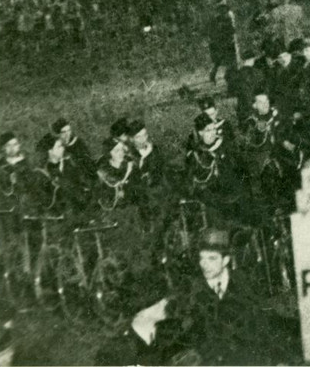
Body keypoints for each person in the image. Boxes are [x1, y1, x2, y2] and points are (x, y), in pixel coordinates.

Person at [137, 228, 294, 366]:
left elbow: (266, 325)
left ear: (225, 260)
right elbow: (149, 322)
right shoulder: (190, 289)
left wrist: (279, 360)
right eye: (201, 258)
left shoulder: (244, 283)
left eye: (211, 258)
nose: (204, 264)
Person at [29, 133, 88, 217]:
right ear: (50, 151)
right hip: (54, 216)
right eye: (59, 146)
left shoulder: (72, 167)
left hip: (76, 213)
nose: (63, 149)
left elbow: (81, 190)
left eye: (62, 146)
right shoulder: (40, 173)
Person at [95, 136, 135, 212]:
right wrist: (128, 172)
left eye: (122, 150)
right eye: (116, 151)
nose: (121, 153)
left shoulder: (127, 162)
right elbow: (114, 183)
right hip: (108, 206)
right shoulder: (103, 169)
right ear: (109, 153)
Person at [206, 0, 239, 85]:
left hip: (228, 40)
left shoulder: (229, 15)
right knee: (219, 60)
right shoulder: (216, 18)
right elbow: (212, 31)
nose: (222, 9)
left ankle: (231, 78)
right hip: (221, 41)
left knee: (230, 59)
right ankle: (214, 75)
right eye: (220, 8)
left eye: (223, 7)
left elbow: (233, 28)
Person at [50, 118, 91, 183]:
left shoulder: (78, 143)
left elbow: (87, 161)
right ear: (59, 134)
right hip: (63, 180)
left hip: (81, 177)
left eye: (69, 131)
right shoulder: (56, 147)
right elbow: (53, 165)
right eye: (64, 132)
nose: (67, 134)